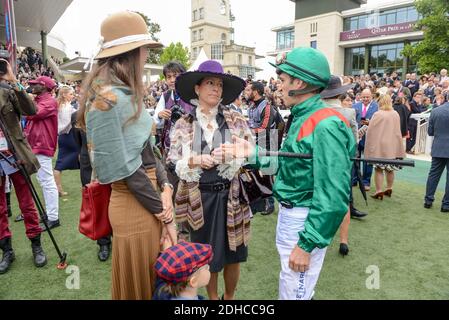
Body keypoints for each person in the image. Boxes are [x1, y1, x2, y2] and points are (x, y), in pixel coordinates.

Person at [219, 47, 355, 300]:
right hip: (292, 214)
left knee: (295, 294)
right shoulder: (304, 116)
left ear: (299, 83)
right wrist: (252, 153)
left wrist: (306, 245)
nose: (278, 87)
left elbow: (334, 197)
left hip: (303, 219)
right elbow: (293, 166)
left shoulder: (325, 124)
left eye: (282, 81)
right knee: (291, 288)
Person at [78, 11, 177, 300]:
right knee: (140, 287)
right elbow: (128, 170)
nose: (147, 54)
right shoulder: (108, 100)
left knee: (151, 284)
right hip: (136, 204)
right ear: (130, 54)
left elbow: (149, 152)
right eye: (145, 49)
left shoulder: (122, 94)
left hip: (147, 197)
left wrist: (167, 187)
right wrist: (165, 215)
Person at [167, 60, 251, 300]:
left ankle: (229, 299)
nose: (216, 88)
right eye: (210, 83)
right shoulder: (184, 122)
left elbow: (251, 151)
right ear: (197, 88)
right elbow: (172, 159)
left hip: (233, 196)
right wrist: (194, 160)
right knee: (207, 256)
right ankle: (213, 299)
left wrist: (235, 155)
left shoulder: (235, 119)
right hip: (201, 199)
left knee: (235, 254)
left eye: (220, 84)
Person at [0, 58, 47, 274]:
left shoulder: (9, 90)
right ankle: (6, 251)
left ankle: (36, 244)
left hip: (15, 154)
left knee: (27, 203)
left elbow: (31, 109)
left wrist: (14, 81)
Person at [321, 76, 367, 257]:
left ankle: (320, 237)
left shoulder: (315, 112)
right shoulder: (349, 114)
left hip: (321, 163)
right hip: (342, 164)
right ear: (339, 93)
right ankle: (343, 240)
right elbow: (354, 142)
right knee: (344, 201)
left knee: (320, 199)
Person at [72, 110, 111, 261]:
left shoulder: (109, 111)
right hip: (88, 163)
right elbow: (78, 142)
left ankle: (118, 235)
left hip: (111, 162)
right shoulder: (76, 115)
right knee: (96, 203)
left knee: (114, 198)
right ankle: (103, 242)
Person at [23, 76, 60, 230]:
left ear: (44, 86)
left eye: (35, 84)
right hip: (36, 145)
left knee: (47, 181)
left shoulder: (50, 101)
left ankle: (53, 217)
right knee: (43, 181)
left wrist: (27, 99)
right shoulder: (40, 99)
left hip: (42, 145)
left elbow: (32, 114)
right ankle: (49, 214)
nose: (32, 86)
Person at [246, 81, 278, 215]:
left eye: (248, 90)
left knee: (267, 174)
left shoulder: (267, 108)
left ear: (256, 92)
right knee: (254, 172)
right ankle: (257, 202)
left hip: (269, 144)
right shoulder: (252, 106)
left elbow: (264, 128)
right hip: (256, 143)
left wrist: (247, 132)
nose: (245, 93)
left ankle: (270, 204)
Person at [364, 95, 405, 200]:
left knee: (378, 169)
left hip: (380, 145)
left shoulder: (377, 114)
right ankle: (389, 187)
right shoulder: (395, 114)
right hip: (392, 145)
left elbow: (371, 131)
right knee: (390, 169)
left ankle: (378, 190)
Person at [53, 86, 80, 197]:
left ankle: (58, 189)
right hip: (68, 136)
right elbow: (64, 125)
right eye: (71, 94)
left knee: (60, 163)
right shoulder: (65, 107)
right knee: (83, 158)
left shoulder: (63, 106)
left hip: (66, 137)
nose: (73, 96)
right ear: (64, 94)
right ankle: (58, 189)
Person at [424, 101, 449, 212]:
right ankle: (446, 204)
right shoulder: (436, 110)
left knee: (433, 174)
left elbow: (430, 132)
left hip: (438, 147)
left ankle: (428, 200)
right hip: (441, 146)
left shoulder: (436, 111)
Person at [353, 89, 378, 191]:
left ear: (371, 97)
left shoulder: (376, 106)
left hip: (369, 136)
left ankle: (366, 181)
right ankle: (354, 179)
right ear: (360, 96)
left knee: (368, 159)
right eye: (364, 97)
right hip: (357, 135)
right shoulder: (355, 106)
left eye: (367, 97)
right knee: (355, 158)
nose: (365, 99)